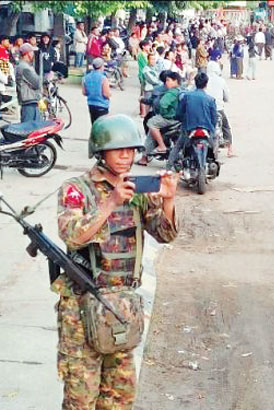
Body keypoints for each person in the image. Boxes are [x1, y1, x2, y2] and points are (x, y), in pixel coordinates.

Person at [56, 114, 178, 409]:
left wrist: (168, 201)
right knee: (81, 398)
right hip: (82, 306)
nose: (127, 156)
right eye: (118, 149)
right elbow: (73, 235)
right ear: (100, 151)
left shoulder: (137, 191)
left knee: (119, 399)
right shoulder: (77, 189)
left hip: (122, 307)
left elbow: (165, 234)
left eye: (132, 149)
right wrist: (110, 202)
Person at [167, 72, 217, 170]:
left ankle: (168, 167)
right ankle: (213, 163)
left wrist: (179, 119)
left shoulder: (187, 96)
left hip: (189, 128)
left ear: (195, 82)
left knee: (178, 146)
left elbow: (179, 113)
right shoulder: (211, 99)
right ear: (206, 84)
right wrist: (212, 129)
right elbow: (214, 118)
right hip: (206, 130)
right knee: (214, 145)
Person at [138, 71, 182, 165]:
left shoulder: (159, 90)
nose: (167, 82)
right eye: (167, 80)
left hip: (166, 118)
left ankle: (145, 157)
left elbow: (157, 103)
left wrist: (163, 112)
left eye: (168, 80)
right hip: (178, 120)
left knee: (151, 128)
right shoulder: (182, 90)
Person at [205, 61, 234, 157]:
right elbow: (227, 96)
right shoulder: (221, 80)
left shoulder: (203, 78)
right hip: (218, 108)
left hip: (205, 109)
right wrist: (224, 100)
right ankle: (230, 150)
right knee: (226, 127)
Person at [15, 43, 41, 123]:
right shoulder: (24, 67)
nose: (33, 54)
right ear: (27, 54)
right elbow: (37, 83)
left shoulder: (26, 66)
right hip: (28, 102)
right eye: (32, 52)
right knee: (28, 130)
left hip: (32, 101)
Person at [82, 58, 112, 124]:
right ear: (101, 66)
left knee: (94, 124)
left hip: (91, 105)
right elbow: (106, 94)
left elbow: (84, 92)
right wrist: (110, 94)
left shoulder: (86, 77)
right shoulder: (103, 78)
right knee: (102, 127)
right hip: (102, 106)